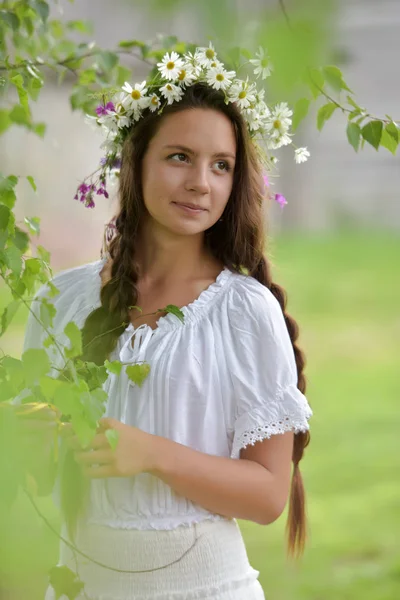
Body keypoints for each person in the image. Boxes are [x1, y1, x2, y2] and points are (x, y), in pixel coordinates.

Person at [18, 45, 313, 599]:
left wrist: (151, 455)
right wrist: (29, 442)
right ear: (136, 160)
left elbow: (269, 494)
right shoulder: (61, 301)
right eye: (180, 156)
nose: (201, 182)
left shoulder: (244, 311)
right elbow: (37, 475)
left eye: (221, 165)